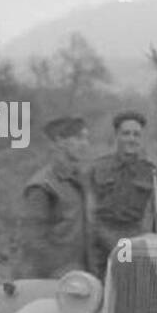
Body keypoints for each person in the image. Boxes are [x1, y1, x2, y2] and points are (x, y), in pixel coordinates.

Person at [89, 110, 157, 267]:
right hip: (99, 242)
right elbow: (84, 210)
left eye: (136, 135)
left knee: (130, 276)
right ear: (116, 136)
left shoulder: (150, 171)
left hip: (133, 238)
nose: (131, 139)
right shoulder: (97, 168)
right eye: (126, 134)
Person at [18, 116, 94, 278]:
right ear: (60, 141)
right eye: (79, 138)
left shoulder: (81, 179)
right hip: (49, 278)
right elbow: (33, 241)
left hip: (78, 277)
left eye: (87, 138)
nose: (85, 144)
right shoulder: (41, 186)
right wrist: (62, 268)